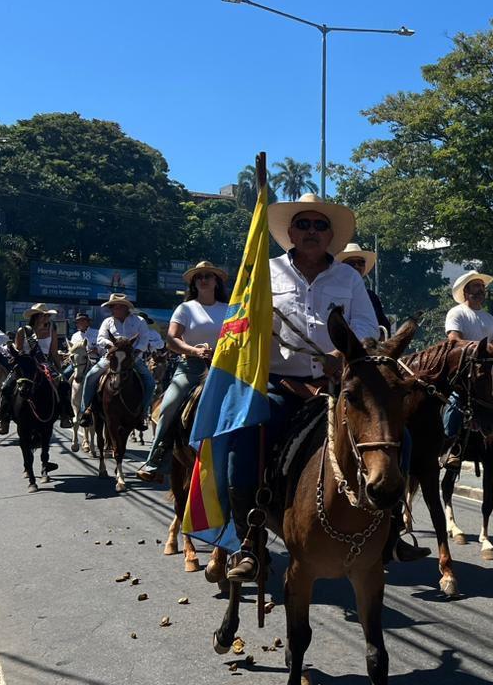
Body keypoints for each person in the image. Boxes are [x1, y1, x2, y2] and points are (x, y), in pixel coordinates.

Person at [223, 191, 426, 583]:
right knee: (242, 444)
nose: (312, 231)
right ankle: (248, 542)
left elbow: (368, 327)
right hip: (281, 385)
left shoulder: (348, 277)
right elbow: (245, 323)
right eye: (304, 223)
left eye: (320, 225)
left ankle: (393, 530)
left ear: (330, 235)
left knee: (403, 440)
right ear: (290, 232)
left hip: (337, 386)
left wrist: (342, 352)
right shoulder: (264, 273)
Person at [135, 262, 230, 483]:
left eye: (208, 276)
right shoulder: (185, 308)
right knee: (168, 406)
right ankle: (155, 460)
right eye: (199, 277)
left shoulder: (230, 309)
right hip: (191, 368)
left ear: (217, 281)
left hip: (224, 368)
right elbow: (171, 340)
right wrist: (194, 350)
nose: (204, 279)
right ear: (194, 283)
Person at [441, 270, 493, 468]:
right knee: (456, 401)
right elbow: (454, 340)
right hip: (463, 370)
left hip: (485, 372)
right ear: (466, 291)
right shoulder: (457, 313)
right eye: (476, 287)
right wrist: (480, 349)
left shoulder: (489, 318)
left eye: (482, 287)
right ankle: (449, 448)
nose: (480, 290)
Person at [77, 294, 157, 429]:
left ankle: (142, 413)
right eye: (114, 306)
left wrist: (135, 352)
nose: (116, 308)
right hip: (112, 357)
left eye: (120, 306)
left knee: (150, 382)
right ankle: (86, 410)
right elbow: (100, 339)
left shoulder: (139, 321)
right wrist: (112, 346)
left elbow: (144, 340)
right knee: (91, 376)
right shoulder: (107, 322)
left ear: (127, 308)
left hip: (133, 358)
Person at [0, 303, 70, 432]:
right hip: (26, 364)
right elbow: (18, 350)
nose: (47, 318)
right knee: (6, 387)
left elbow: (53, 352)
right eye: (44, 315)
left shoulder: (52, 329)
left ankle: (65, 415)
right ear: (36, 316)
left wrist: (60, 370)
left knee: (64, 384)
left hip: (45, 363)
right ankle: (4, 419)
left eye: (48, 315)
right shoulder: (23, 331)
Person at [340, 242, 389, 338]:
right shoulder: (332, 294)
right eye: (351, 263)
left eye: (361, 262)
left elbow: (384, 328)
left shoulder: (371, 296)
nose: (357, 266)